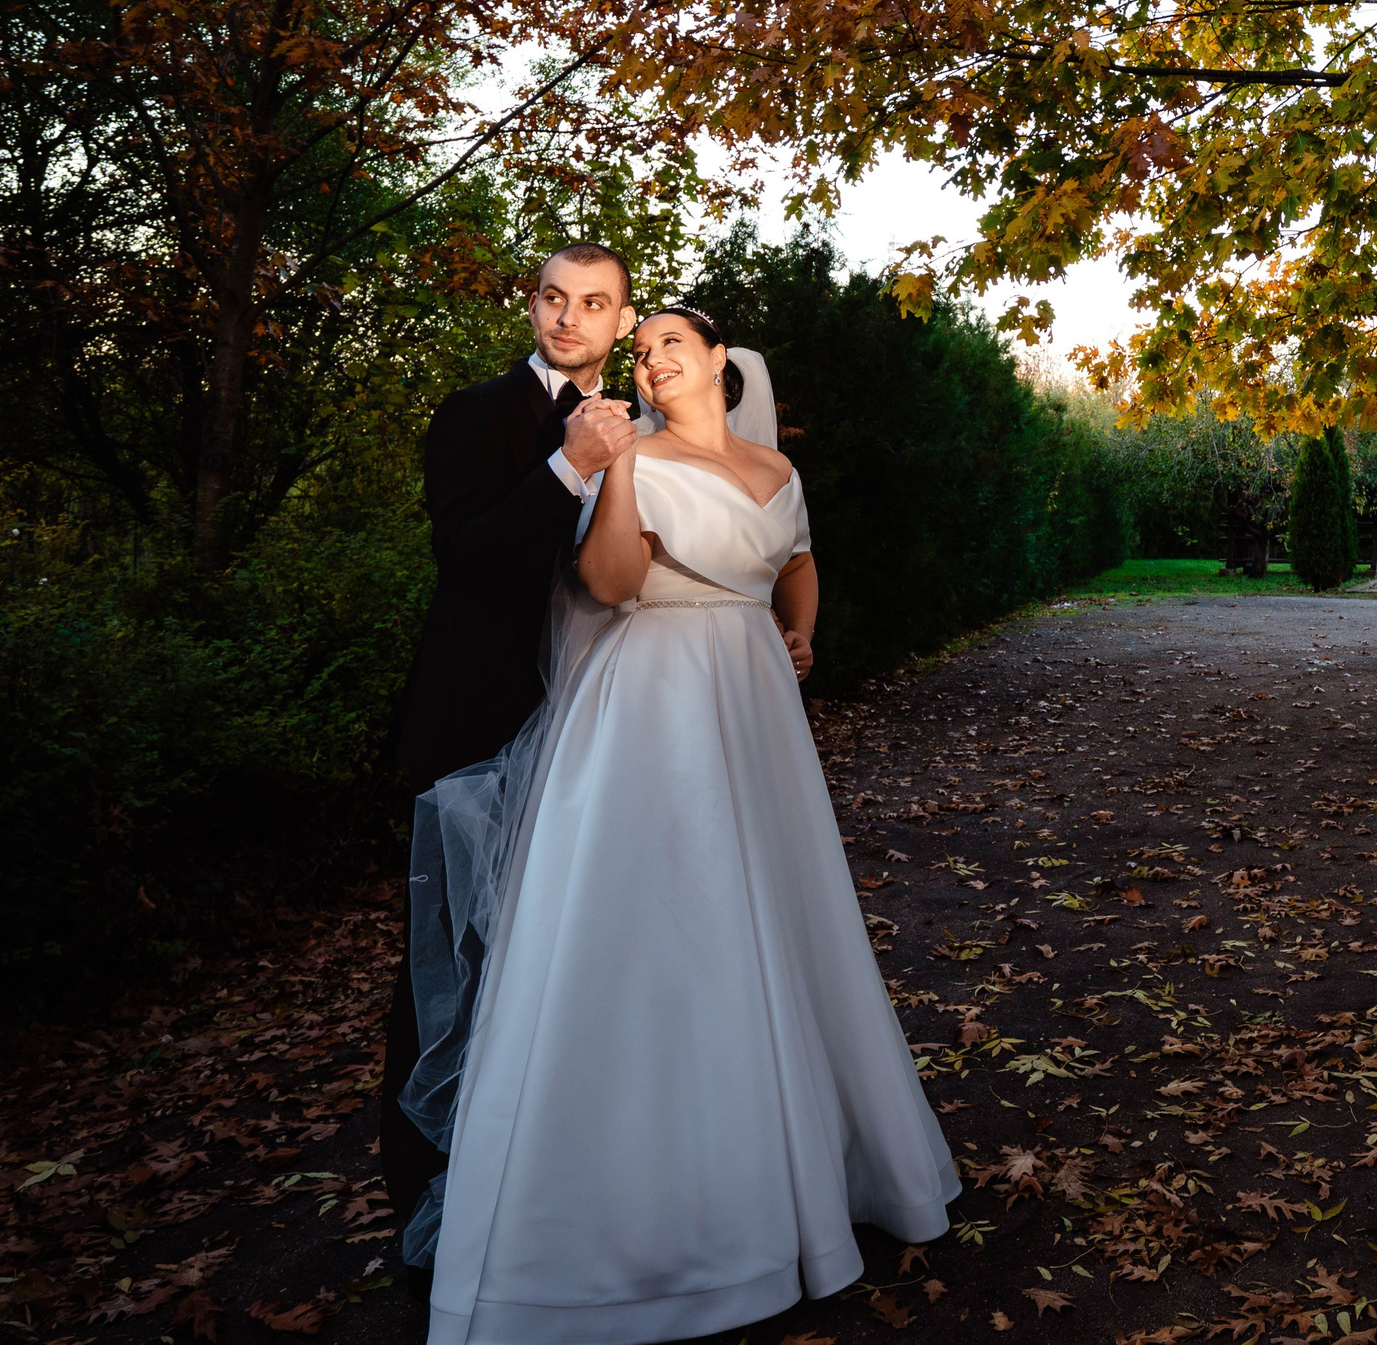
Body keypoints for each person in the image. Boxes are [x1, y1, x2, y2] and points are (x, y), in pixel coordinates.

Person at [403, 304, 960, 1345]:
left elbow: (794, 563)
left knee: (772, 921)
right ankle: (634, 1225)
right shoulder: (638, 463)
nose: (653, 361)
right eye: (643, 349)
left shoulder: (776, 474)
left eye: (672, 344)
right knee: (663, 925)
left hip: (752, 705)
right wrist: (613, 470)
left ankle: (792, 1177)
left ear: (719, 362)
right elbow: (610, 583)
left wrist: (798, 636)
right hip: (650, 701)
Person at [382, 244, 640, 1243]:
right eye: (554, 297)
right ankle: (433, 1214)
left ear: (622, 320)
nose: (570, 316)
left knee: (575, 963)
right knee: (450, 965)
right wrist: (571, 463)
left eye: (595, 302)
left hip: (604, 733)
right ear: (530, 306)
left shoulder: (646, 429)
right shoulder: (472, 415)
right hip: (480, 727)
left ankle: (560, 1185)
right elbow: (469, 557)